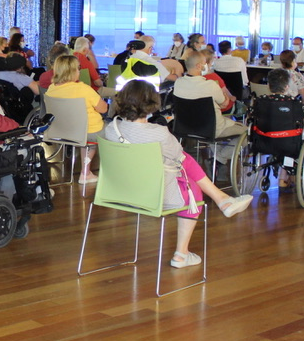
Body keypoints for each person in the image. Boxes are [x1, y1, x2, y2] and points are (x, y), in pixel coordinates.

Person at [104, 81, 252, 269]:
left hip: (119, 194)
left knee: (184, 165)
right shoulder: (159, 133)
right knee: (191, 185)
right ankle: (182, 252)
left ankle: (223, 200)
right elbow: (179, 157)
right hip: (155, 196)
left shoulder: (111, 129)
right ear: (152, 103)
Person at [250, 69, 304, 190]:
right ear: (287, 87)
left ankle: (283, 177)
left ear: (268, 85)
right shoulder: (295, 103)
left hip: (264, 143)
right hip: (289, 144)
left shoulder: (259, 101)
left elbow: (251, 116)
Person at [172, 50, 246, 161]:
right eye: (204, 63)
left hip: (185, 127)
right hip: (211, 128)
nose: (206, 65)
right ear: (199, 66)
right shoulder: (210, 85)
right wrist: (223, 101)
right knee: (246, 132)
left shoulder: (178, 83)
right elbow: (224, 103)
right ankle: (221, 157)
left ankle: (217, 158)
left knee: (209, 122)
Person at [47, 54, 109, 183]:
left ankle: (85, 172)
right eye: (78, 68)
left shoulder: (51, 89)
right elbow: (104, 109)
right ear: (73, 71)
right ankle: (86, 173)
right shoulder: (83, 89)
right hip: (88, 132)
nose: (79, 71)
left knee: (85, 133)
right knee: (109, 129)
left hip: (61, 131)